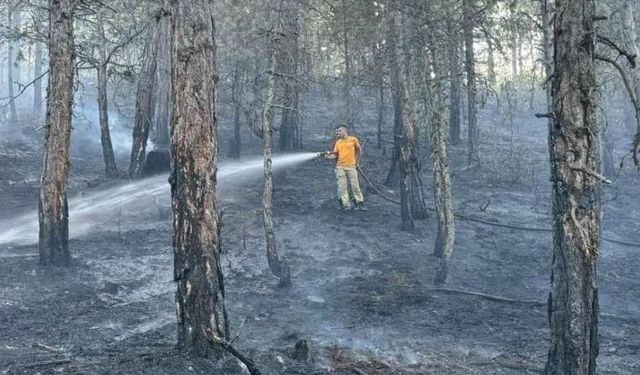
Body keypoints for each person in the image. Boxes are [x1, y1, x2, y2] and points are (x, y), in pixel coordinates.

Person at [323, 125, 364, 210]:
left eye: (340, 131)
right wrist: (327, 156)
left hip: (351, 167)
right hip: (340, 167)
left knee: (355, 186)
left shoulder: (353, 139)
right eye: (337, 132)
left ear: (345, 131)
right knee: (342, 187)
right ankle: (346, 205)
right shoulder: (338, 143)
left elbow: (359, 151)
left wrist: (357, 163)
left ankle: (359, 203)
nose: (338, 133)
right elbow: (334, 155)